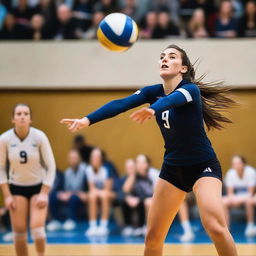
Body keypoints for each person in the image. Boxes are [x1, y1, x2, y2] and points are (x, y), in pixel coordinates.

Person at [60, 44, 238, 256]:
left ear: (183, 68)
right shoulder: (152, 91)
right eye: (162, 56)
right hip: (173, 169)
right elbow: (120, 104)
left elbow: (173, 99)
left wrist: (153, 109)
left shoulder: (191, 90)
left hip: (203, 167)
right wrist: (87, 120)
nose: (164, 59)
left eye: (172, 57)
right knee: (153, 239)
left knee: (215, 227)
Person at [0, 103, 56, 256]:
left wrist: (44, 193)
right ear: (13, 119)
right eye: (18, 114)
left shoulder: (39, 137)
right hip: (17, 187)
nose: (22, 116)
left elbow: (51, 167)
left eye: (26, 114)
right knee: (18, 233)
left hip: (38, 187)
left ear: (30, 119)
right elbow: (0, 169)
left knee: (37, 229)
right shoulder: (4, 139)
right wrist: (7, 196)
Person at [85, 147, 116, 236]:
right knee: (91, 195)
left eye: (97, 157)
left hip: (112, 193)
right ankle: (93, 226)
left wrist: (97, 191)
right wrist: (96, 192)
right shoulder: (88, 169)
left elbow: (107, 189)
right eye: (93, 156)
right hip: (97, 193)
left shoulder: (107, 168)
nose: (95, 159)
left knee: (104, 195)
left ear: (101, 158)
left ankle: (103, 226)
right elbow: (91, 188)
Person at [222, 155, 256, 237]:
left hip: (250, 196)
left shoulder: (250, 172)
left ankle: (250, 226)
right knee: (222, 201)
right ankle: (226, 228)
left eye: (238, 163)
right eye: (234, 163)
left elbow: (250, 194)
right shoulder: (230, 173)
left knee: (249, 201)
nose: (236, 165)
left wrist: (238, 200)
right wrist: (232, 199)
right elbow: (230, 194)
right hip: (238, 198)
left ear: (243, 164)